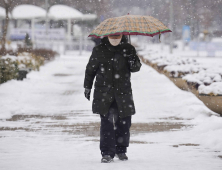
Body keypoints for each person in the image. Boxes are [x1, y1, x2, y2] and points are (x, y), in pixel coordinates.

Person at [83, 34, 142, 163]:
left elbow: (135, 68)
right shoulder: (99, 50)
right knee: (107, 123)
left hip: (123, 93)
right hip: (104, 93)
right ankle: (107, 153)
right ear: (107, 36)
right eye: (112, 36)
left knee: (124, 122)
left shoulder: (128, 49)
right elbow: (90, 69)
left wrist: (133, 59)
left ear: (122, 36)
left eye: (118, 36)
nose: (115, 38)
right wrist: (87, 86)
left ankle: (121, 150)